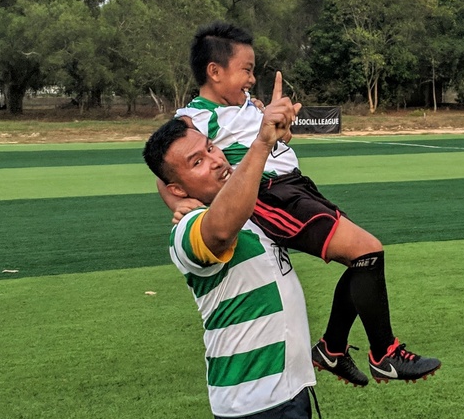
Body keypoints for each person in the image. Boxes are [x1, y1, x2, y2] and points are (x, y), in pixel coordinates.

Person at [143, 74, 349, 419]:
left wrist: (268, 139)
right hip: (259, 400)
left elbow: (242, 190)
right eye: (197, 162)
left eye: (210, 147)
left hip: (277, 388)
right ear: (175, 187)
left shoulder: (238, 196)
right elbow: (220, 226)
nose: (214, 158)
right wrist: (259, 140)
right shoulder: (191, 231)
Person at [162, 21, 439, 386]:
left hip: (297, 187)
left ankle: (332, 350)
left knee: (365, 258)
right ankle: (383, 354)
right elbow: (166, 169)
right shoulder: (194, 118)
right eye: (245, 69)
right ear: (214, 71)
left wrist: (279, 127)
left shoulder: (247, 105)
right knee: (367, 251)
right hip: (271, 195)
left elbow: (268, 136)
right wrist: (182, 208)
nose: (251, 77)